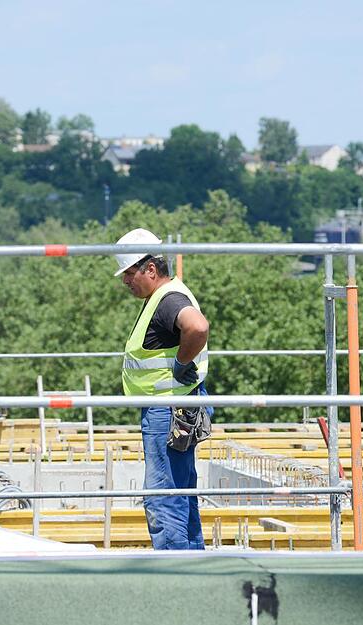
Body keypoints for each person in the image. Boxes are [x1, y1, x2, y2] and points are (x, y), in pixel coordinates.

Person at [114, 227, 210, 550]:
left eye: (128, 274)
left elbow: (198, 327)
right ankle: (192, 563)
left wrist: (183, 361)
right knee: (182, 493)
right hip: (178, 408)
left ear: (150, 269)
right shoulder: (165, 296)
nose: (125, 282)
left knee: (163, 497)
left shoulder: (168, 300)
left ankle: (174, 573)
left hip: (166, 412)